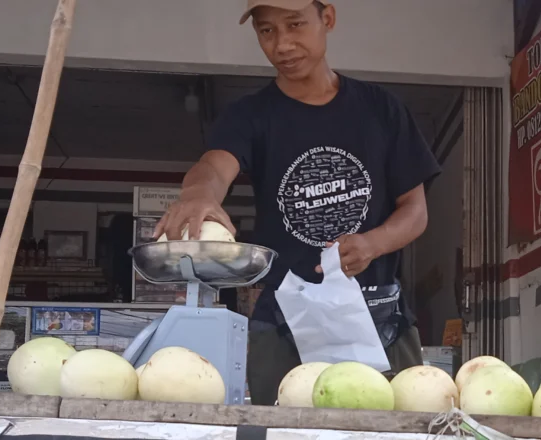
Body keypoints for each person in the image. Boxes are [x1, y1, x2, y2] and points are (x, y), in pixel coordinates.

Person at [155, 0, 440, 405]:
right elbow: (214, 168)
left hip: (378, 321)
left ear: (328, 19)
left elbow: (415, 211)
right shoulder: (251, 116)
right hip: (285, 326)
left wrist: (372, 243)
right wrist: (198, 195)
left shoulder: (381, 110)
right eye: (267, 31)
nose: (282, 44)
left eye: (295, 25)